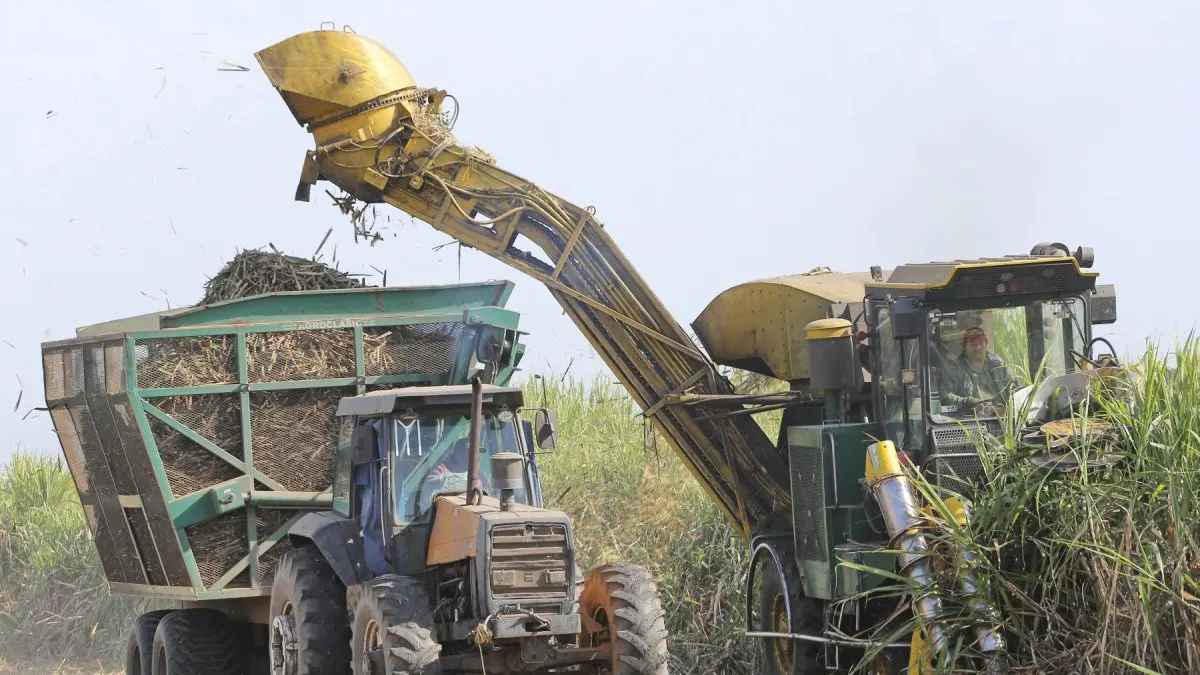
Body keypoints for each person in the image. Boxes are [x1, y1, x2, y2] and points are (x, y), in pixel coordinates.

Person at [941, 327, 1016, 414]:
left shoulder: (999, 365)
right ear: (964, 347)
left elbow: (1015, 389)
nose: (978, 347)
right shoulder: (955, 368)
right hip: (968, 421)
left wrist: (1006, 409)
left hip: (999, 419)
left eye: (981, 343)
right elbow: (945, 397)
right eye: (973, 344)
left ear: (986, 344)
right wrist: (970, 402)